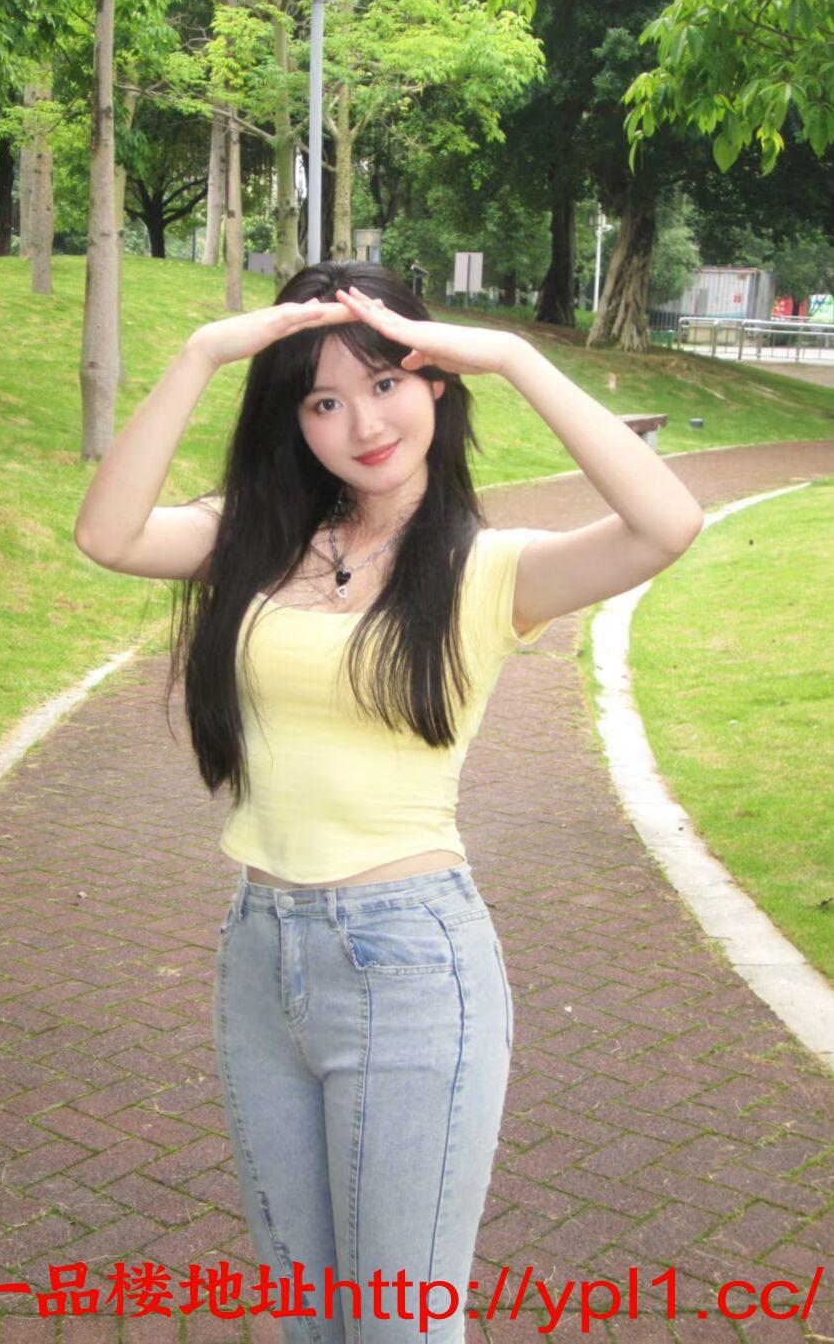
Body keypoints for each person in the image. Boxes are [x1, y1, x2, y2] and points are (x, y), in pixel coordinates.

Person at [73, 260, 704, 1342]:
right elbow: (108, 534)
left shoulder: (488, 568)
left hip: (409, 963)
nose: (361, 424)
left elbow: (666, 523)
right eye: (322, 401)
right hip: (259, 953)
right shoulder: (258, 541)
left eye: (384, 383)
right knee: (307, 1319)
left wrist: (511, 354)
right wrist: (201, 354)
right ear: (292, 421)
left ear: (435, 384)